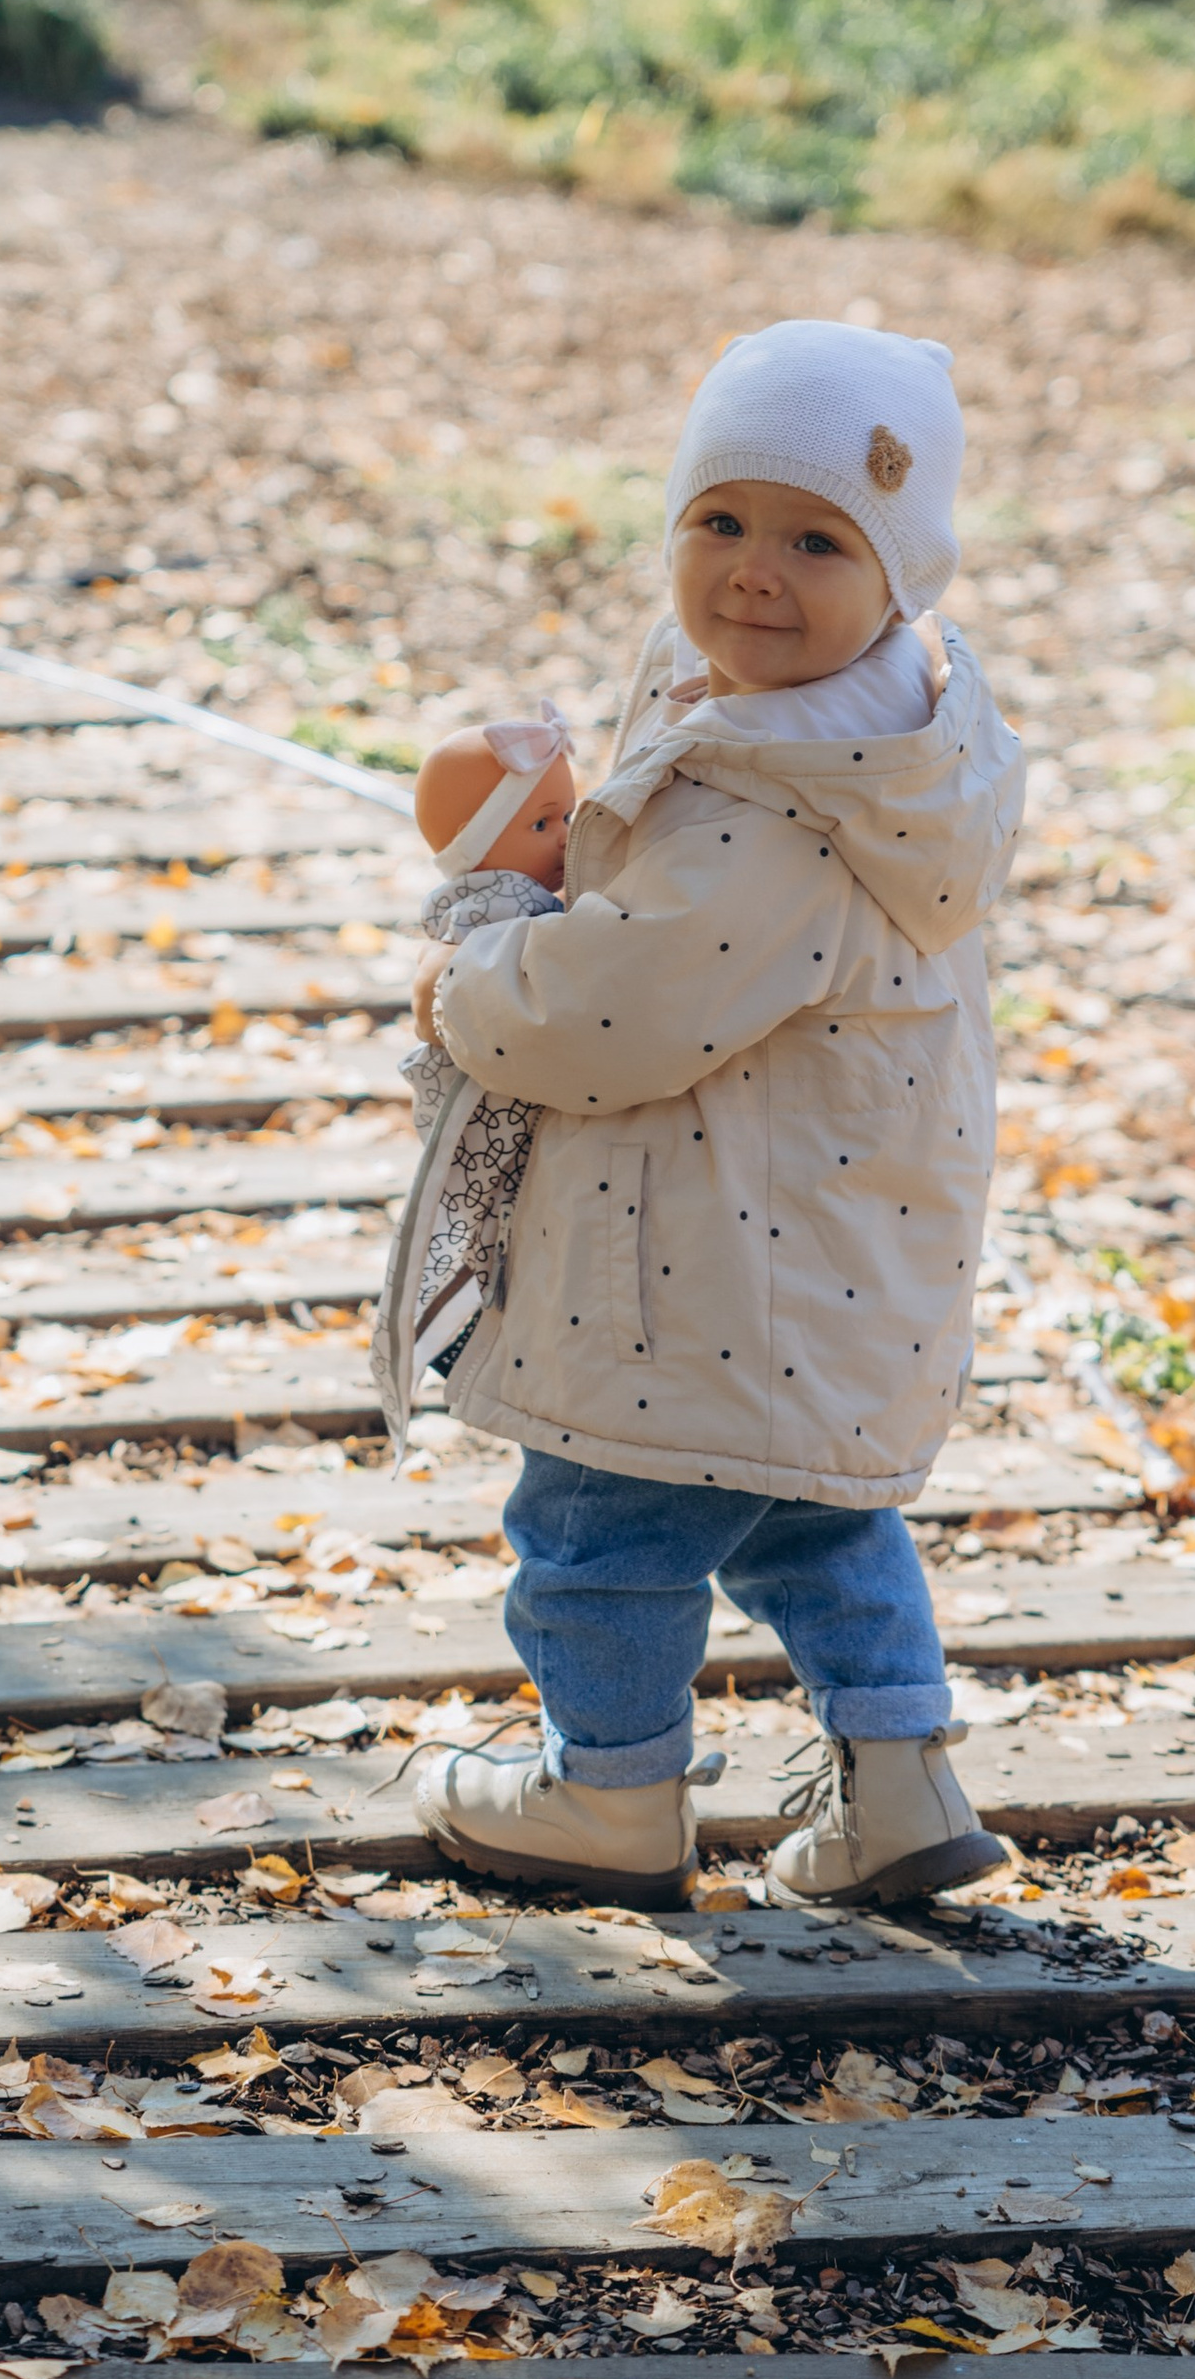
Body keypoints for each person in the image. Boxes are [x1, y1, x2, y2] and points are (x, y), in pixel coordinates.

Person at [402, 318, 1026, 1911]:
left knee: (597, 1526)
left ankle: (607, 1794)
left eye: (820, 540)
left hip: (696, 1270)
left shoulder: (781, 807)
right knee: (811, 1521)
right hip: (818, 1249)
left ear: (905, 575)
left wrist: (482, 961)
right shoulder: (871, 739)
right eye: (721, 522)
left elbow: (612, 1012)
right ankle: (900, 1781)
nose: (756, 571)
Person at [371, 701, 574, 1446]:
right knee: (488, 1214)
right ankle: (468, 1327)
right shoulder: (506, 909)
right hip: (489, 1096)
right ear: (482, 844)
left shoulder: (506, 900)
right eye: (541, 824)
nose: (565, 838)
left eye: (569, 817)